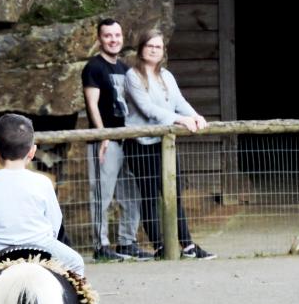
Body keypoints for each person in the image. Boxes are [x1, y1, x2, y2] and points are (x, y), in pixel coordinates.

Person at [0, 113, 85, 295]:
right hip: (40, 245)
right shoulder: (43, 181)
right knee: (76, 262)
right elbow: (55, 223)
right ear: (32, 151)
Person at [124, 29, 216, 260]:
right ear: (142, 48)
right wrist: (179, 119)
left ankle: (187, 245)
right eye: (150, 46)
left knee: (173, 193)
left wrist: (196, 116)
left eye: (158, 47)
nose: (154, 50)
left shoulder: (167, 76)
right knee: (149, 195)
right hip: (140, 144)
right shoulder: (133, 76)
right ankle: (160, 246)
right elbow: (147, 109)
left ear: (163, 51)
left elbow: (179, 101)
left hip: (164, 144)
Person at [82, 18, 152, 262]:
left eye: (117, 35)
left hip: (126, 140)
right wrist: (102, 135)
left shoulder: (124, 68)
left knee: (131, 193)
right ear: (99, 39)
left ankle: (127, 242)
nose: (113, 40)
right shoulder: (94, 67)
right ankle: (100, 246)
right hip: (105, 141)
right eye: (108, 36)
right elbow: (92, 104)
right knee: (101, 194)